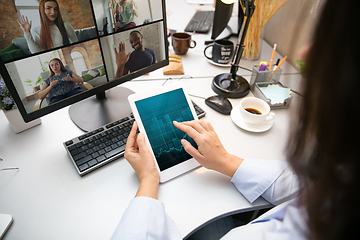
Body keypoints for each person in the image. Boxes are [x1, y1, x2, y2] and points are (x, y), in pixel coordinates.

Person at [111, 0, 360, 239]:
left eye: (336, 44)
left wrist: (149, 179)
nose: (305, 52)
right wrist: (226, 161)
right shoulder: (344, 183)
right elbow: (304, 185)